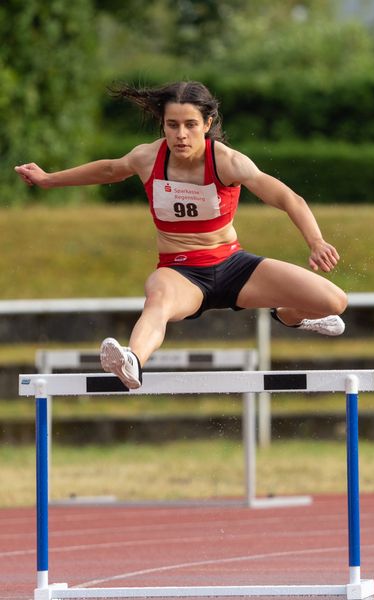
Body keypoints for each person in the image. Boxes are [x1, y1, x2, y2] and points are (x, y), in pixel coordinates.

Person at [15, 80, 347, 390]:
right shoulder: (148, 157)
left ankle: (289, 315)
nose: (181, 135)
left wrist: (316, 241)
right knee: (157, 301)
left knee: (335, 301)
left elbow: (289, 198)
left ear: (207, 123)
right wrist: (48, 179)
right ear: (163, 125)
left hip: (234, 266)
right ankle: (132, 361)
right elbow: (109, 169)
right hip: (181, 272)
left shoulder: (229, 163)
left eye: (190, 125)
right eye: (172, 125)